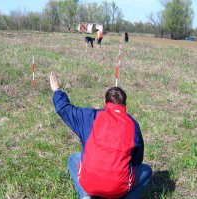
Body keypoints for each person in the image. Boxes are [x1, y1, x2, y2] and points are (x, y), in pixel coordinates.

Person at [50, 71, 152, 199]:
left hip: (89, 183)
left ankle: (86, 196)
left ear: (105, 101)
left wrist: (57, 89)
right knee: (147, 171)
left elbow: (63, 108)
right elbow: (137, 160)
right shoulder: (133, 125)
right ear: (125, 104)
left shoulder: (89, 117)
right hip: (119, 187)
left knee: (73, 159)